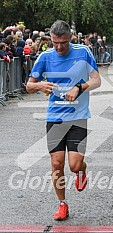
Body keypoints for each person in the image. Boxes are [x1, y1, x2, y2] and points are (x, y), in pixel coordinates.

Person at [26, 20, 101, 221]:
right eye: (55, 43)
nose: (59, 47)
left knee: (74, 165)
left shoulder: (83, 52)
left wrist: (79, 87)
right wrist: (40, 85)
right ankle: (62, 204)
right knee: (56, 164)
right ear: (51, 39)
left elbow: (97, 80)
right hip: (55, 117)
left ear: (71, 38)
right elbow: (29, 86)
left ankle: (82, 171)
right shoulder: (44, 57)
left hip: (78, 116)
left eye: (64, 43)